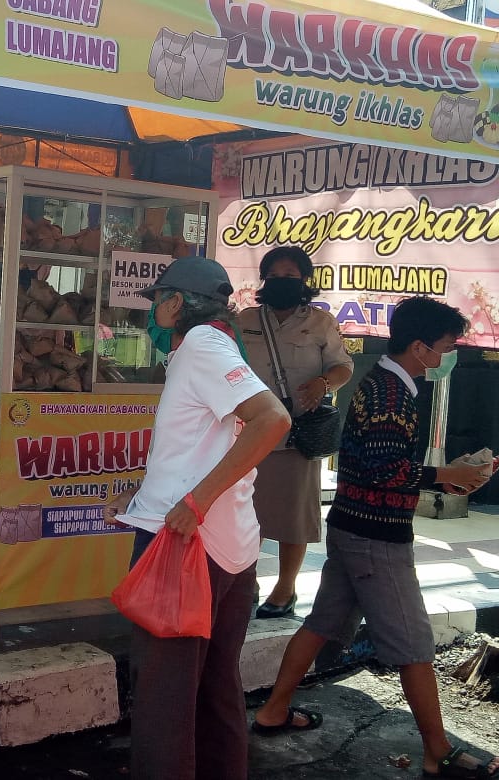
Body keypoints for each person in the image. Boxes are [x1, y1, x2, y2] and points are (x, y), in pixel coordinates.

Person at [253, 296, 499, 780]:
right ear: (421, 346)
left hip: (353, 526)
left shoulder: (388, 383)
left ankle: (273, 710)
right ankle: (438, 749)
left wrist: (445, 477)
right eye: (446, 347)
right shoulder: (390, 394)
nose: (449, 355)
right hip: (376, 539)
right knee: (412, 644)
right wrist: (442, 473)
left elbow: (379, 467)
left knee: (321, 623)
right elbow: (388, 469)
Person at [105, 256, 291, 780]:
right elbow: (199, 448)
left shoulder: (203, 347)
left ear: (174, 303)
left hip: (188, 552)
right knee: (215, 691)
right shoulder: (214, 348)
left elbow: (272, 420)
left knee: (165, 702)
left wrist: (195, 502)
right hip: (228, 549)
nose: (151, 316)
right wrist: (141, 497)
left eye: (156, 303)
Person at [237, 246, 353, 618]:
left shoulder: (320, 323)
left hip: (297, 437)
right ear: (264, 279)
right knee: (243, 514)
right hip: (249, 433)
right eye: (275, 275)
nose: (282, 282)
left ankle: (285, 590)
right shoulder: (244, 319)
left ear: (304, 281)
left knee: (294, 519)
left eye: (290, 276)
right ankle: (245, 583)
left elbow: (343, 367)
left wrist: (324, 382)